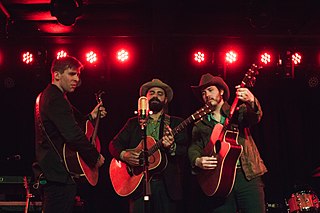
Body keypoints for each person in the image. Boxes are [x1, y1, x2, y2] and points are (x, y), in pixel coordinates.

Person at [33, 56, 106, 213]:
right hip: (59, 175)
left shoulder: (49, 96)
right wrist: (94, 156)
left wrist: (91, 116)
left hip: (52, 172)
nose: (76, 79)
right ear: (57, 75)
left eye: (78, 75)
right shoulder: (56, 99)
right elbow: (73, 134)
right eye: (72, 74)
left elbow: (72, 125)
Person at [188, 73, 267, 213]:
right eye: (203, 92)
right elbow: (194, 147)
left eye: (210, 90)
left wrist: (252, 101)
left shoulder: (238, 112)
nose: (206, 95)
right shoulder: (200, 123)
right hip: (219, 179)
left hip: (247, 175)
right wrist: (197, 160)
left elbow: (255, 117)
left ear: (221, 91)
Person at [109, 79, 189, 213]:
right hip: (137, 185)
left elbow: (184, 150)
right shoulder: (133, 123)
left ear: (165, 100)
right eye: (151, 93)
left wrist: (172, 147)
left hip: (166, 186)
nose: (155, 96)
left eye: (160, 93)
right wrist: (125, 155)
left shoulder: (176, 123)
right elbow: (113, 145)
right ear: (145, 99)